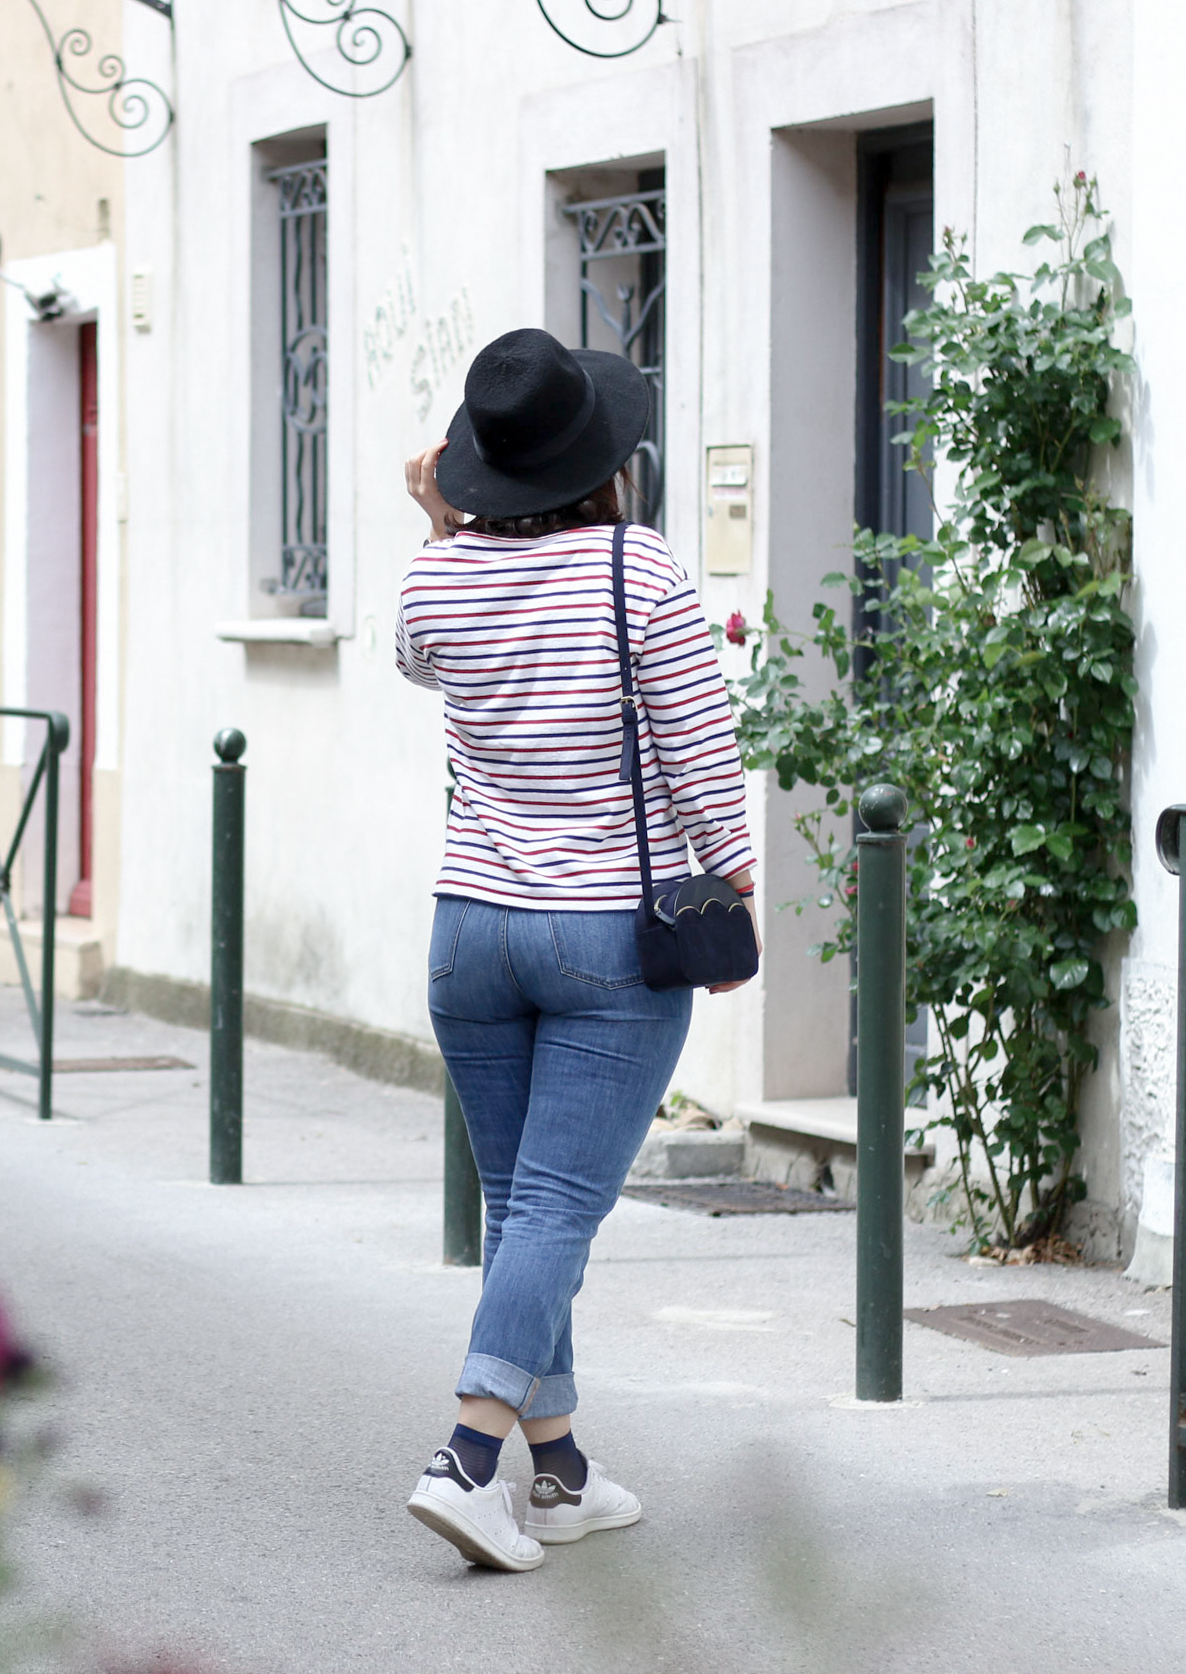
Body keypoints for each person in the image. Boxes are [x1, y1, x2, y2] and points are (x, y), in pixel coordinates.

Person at [395, 327, 758, 1572]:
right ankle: (467, 1457)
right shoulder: (638, 571)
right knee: (552, 1207)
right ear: (603, 458)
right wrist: (733, 893)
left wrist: (438, 519)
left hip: (469, 935)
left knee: (523, 1212)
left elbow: (415, 656)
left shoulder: (433, 580)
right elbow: (702, 755)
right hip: (608, 935)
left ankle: (555, 1475)